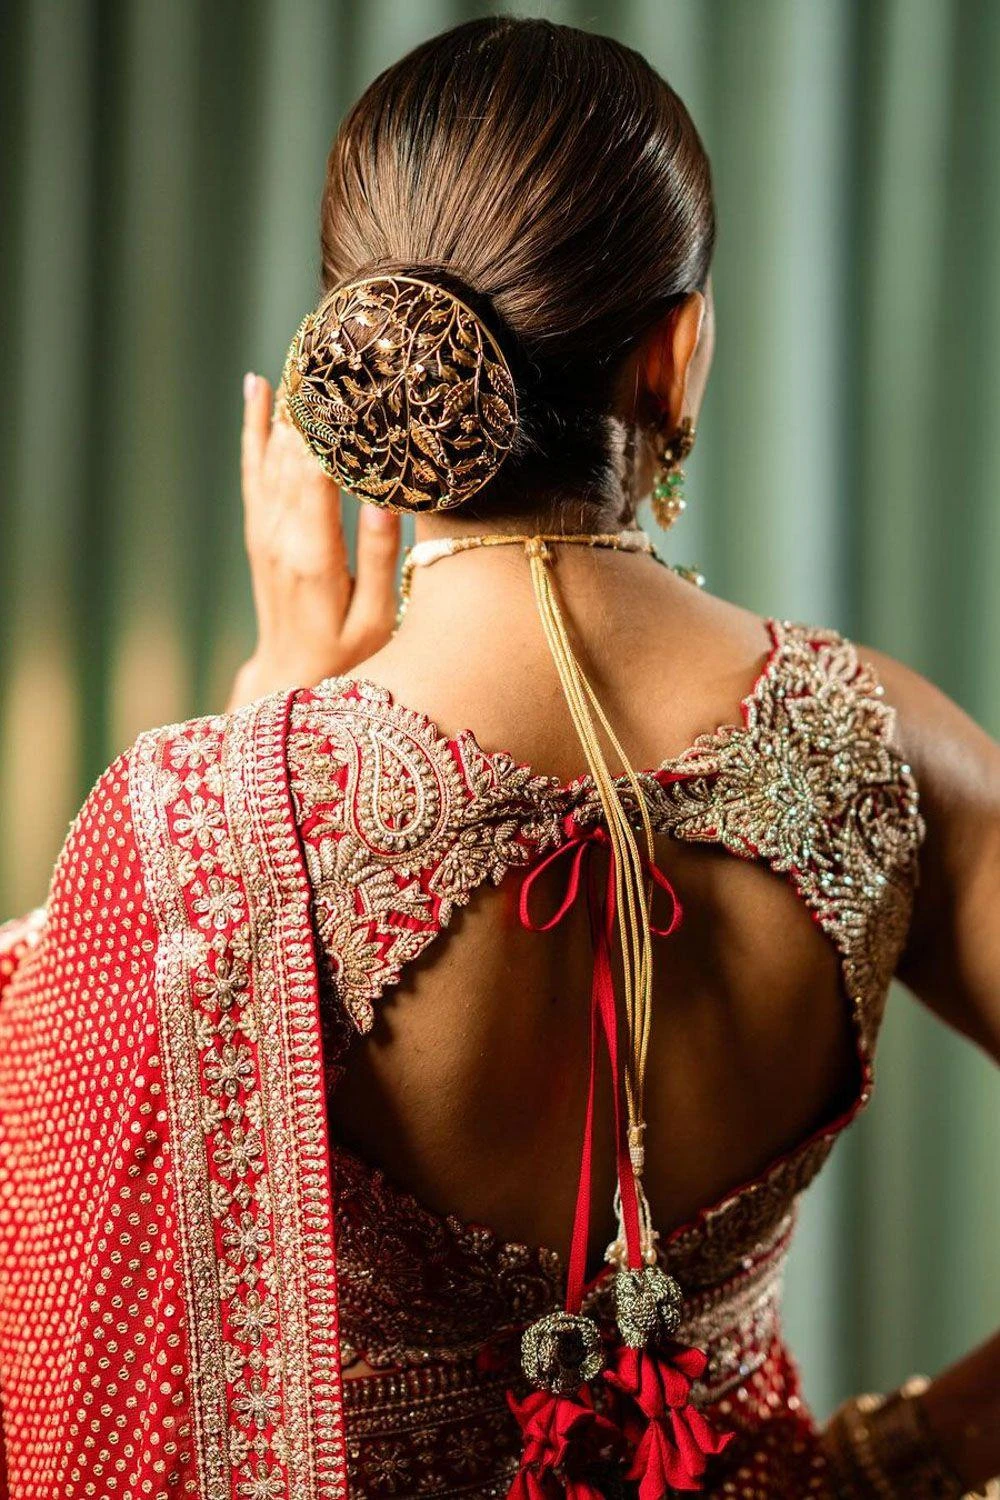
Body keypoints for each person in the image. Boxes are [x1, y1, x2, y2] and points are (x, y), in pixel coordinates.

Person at [0, 16, 996, 1499]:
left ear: (369, 362)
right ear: (677, 353)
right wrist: (901, 1455)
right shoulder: (887, 748)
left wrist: (268, 711)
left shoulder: (209, 820)